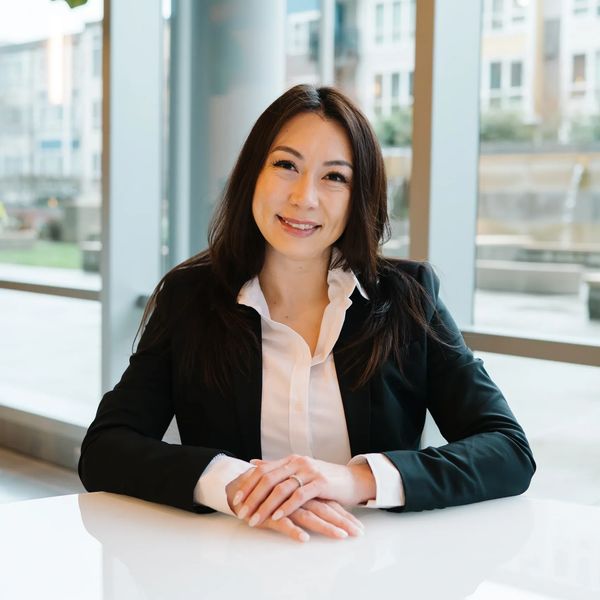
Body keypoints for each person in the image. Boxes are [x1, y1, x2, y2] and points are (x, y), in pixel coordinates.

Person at [79, 84, 536, 543]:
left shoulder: (408, 298)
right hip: (231, 567)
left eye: (334, 177)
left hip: (374, 568)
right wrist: (234, 484)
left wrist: (355, 480)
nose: (304, 197)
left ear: (361, 195)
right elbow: (104, 448)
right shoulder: (190, 298)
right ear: (252, 175)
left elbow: (508, 450)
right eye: (285, 165)